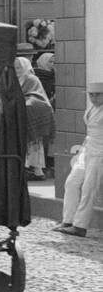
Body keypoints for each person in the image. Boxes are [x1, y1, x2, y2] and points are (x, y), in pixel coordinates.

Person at [55, 81, 103, 237]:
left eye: (98, 95)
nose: (94, 98)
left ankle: (80, 226)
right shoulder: (91, 108)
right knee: (71, 182)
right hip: (87, 149)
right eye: (91, 95)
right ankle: (67, 220)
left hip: (100, 153)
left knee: (89, 189)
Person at [15, 55, 54, 180]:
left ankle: (36, 171)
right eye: (15, 67)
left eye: (19, 67)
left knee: (34, 145)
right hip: (22, 116)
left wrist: (25, 103)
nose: (17, 70)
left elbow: (37, 96)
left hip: (32, 116)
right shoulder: (14, 79)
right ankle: (30, 170)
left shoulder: (31, 78)